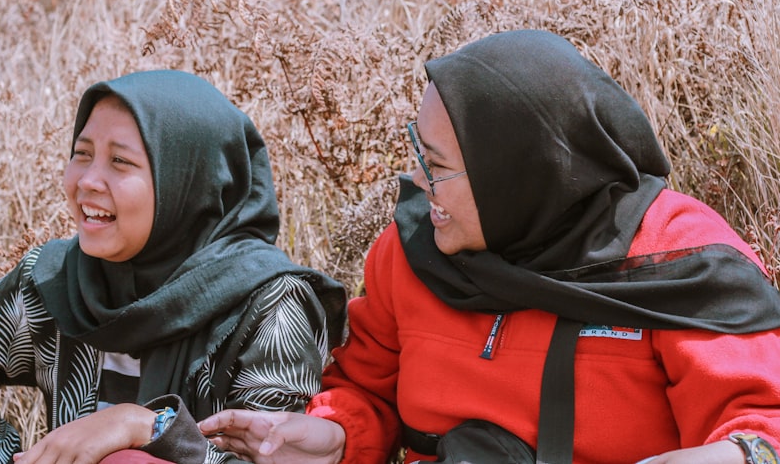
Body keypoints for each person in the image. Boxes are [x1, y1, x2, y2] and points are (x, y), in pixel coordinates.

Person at [199, 29, 780, 464]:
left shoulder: (679, 260)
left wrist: (734, 456)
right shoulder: (413, 252)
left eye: (441, 166)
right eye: (419, 152)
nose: (420, 183)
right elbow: (365, 392)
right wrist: (334, 438)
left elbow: (761, 428)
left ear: (520, 176)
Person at [0, 69, 347, 464]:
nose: (88, 181)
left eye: (120, 161)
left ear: (188, 182)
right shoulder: (53, 283)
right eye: (82, 153)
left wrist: (145, 427)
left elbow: (270, 459)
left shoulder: (270, 303)